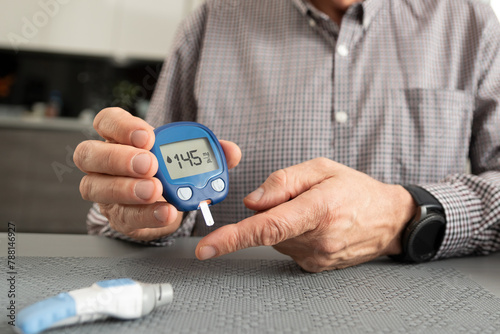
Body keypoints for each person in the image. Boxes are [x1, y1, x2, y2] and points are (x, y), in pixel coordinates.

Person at [74, 0, 500, 272]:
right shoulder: (213, 20)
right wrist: (139, 209)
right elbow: (127, 205)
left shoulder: (472, 23)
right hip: (226, 305)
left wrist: (406, 215)